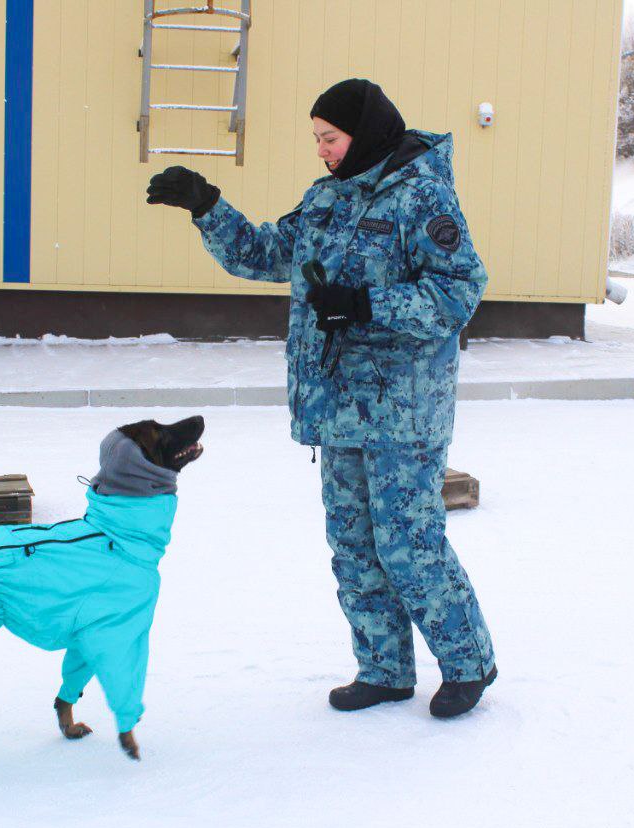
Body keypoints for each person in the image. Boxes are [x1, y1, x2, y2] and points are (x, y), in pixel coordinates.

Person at [146, 79, 496, 718]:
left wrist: (366, 304)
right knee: (355, 546)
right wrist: (207, 206)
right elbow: (264, 253)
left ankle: (468, 663)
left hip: (402, 411)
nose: (322, 150)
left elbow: (458, 293)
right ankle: (384, 670)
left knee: (408, 545)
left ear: (363, 134)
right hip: (338, 408)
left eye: (330, 138)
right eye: (317, 139)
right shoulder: (327, 198)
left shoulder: (421, 194)